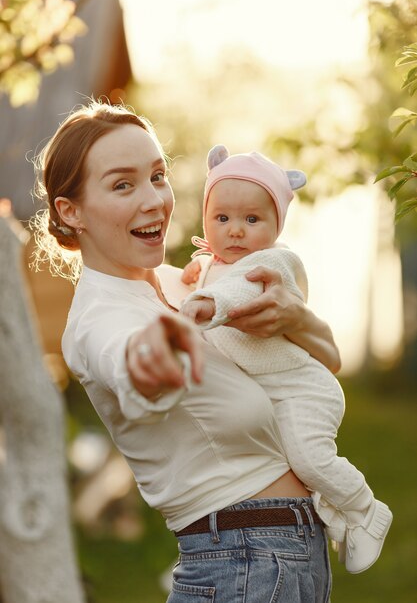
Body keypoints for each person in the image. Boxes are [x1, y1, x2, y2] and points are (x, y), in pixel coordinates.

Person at [32, 100, 342, 602]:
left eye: (158, 176)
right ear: (71, 211)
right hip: (242, 563)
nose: (154, 199)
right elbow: (131, 364)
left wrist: (296, 318)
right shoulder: (97, 320)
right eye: (123, 184)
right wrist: (154, 356)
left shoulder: (190, 286)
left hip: (288, 557)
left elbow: (327, 361)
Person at [180, 144, 393, 574]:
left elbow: (239, 292)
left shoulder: (272, 262)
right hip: (274, 394)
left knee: (311, 457)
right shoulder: (211, 266)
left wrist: (204, 304)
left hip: (304, 389)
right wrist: (196, 274)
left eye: (252, 219)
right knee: (294, 459)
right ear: (206, 218)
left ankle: (366, 510)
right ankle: (335, 513)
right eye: (222, 218)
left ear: (277, 225)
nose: (235, 231)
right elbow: (212, 276)